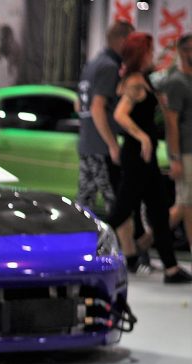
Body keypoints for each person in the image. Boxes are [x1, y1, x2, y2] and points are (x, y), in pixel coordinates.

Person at [110, 32, 192, 284]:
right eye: (149, 50)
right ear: (141, 54)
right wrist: (143, 137)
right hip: (137, 156)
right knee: (122, 210)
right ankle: (82, 246)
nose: (152, 54)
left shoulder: (142, 79)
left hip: (145, 158)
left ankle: (171, 268)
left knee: (158, 211)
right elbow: (120, 114)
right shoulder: (135, 82)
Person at [76, 21, 133, 239]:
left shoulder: (92, 64)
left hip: (87, 142)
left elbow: (79, 104)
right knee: (116, 202)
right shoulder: (109, 66)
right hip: (101, 147)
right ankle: (125, 251)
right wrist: (112, 144)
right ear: (122, 40)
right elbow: (97, 107)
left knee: (85, 200)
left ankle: (79, 245)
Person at [162, 34, 192, 259]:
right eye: (189, 49)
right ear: (181, 51)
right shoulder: (176, 82)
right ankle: (146, 242)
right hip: (186, 152)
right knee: (185, 205)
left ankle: (146, 241)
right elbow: (171, 122)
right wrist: (175, 158)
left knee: (187, 205)